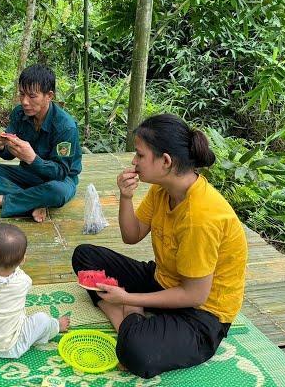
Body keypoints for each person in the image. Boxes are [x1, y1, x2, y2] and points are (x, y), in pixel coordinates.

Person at [72, 114, 248, 378]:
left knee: (137, 353)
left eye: (140, 155)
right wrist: (126, 196)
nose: (133, 161)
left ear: (165, 161)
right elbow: (131, 235)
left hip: (202, 314)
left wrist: (128, 299)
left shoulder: (200, 217)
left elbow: (195, 296)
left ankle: (126, 313)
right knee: (84, 256)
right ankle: (127, 314)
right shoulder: (162, 190)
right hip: (164, 280)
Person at [0, 64, 82, 222]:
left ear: (49, 96)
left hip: (59, 180)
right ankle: (34, 201)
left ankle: (0, 200)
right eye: (21, 94)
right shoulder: (19, 113)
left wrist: (32, 159)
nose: (25, 101)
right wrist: (2, 146)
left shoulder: (65, 127)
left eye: (32, 96)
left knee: (57, 192)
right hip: (27, 175)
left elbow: (61, 172)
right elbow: (8, 155)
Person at [0, 223, 70, 358]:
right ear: (23, 260)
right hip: (11, 347)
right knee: (43, 319)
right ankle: (56, 327)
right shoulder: (24, 281)